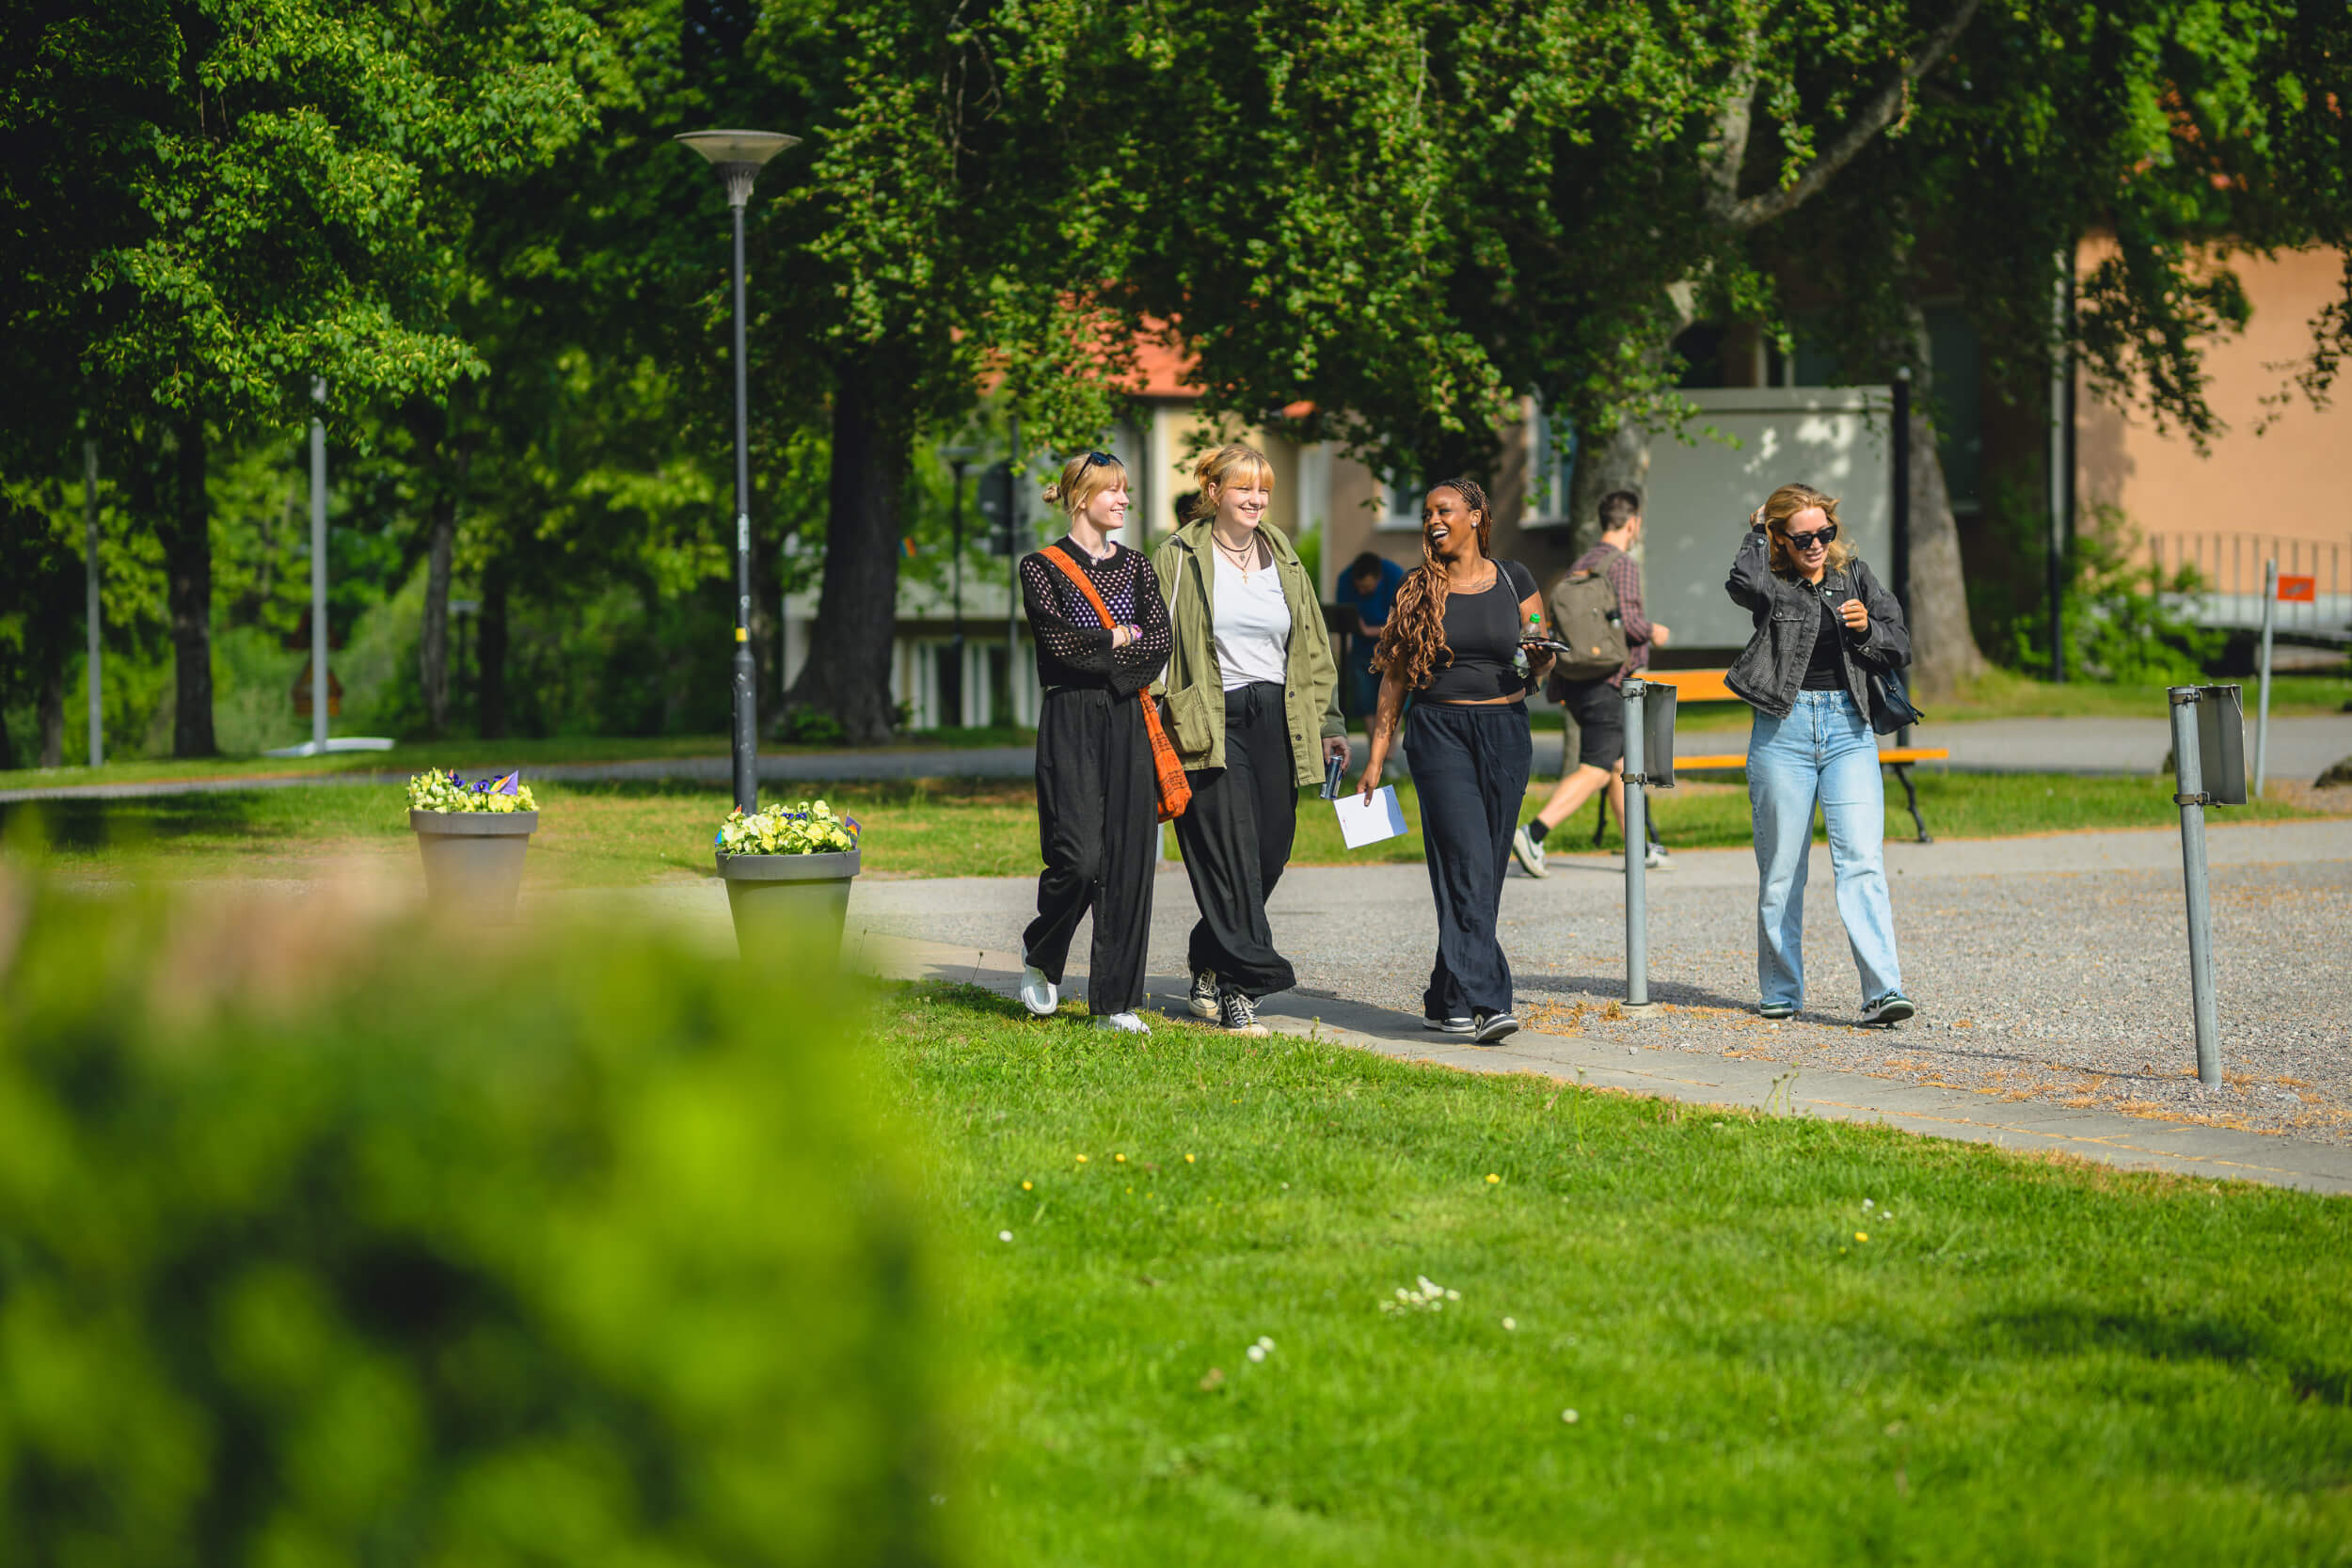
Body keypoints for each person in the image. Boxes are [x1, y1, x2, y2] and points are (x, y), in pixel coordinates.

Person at [1153, 444, 1348, 1037]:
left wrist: (1331, 723)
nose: (1256, 500)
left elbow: (1312, 644)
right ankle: (1243, 988)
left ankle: (1208, 955)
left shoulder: (1283, 554)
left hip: (1278, 718)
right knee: (1232, 852)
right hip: (1209, 719)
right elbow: (1156, 647)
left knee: (1271, 850)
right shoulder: (1179, 555)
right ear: (1213, 492)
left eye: (1262, 490)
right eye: (1243, 489)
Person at [1358, 478, 1552, 1045]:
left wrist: (1539, 661)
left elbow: (1535, 658)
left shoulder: (1516, 580)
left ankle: (1446, 995)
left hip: (1507, 729)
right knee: (1465, 857)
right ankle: (1489, 1000)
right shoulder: (1418, 588)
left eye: (1443, 510)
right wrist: (1377, 755)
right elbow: (1394, 674)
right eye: (1426, 514)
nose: (1432, 521)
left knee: (1486, 868)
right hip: (1439, 731)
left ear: (1475, 515)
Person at [1725, 482, 1916, 1026]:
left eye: (1824, 533)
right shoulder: (1771, 582)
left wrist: (1868, 629)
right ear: (1781, 538)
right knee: (1782, 869)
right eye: (1802, 536)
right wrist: (1755, 527)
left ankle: (1884, 990)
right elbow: (1741, 582)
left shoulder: (1854, 576)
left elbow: (1900, 640)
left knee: (1861, 861)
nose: (1815, 544)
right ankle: (1781, 990)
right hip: (1782, 731)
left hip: (1848, 729)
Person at [1015, 451, 1173, 1033]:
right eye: (1114, 491)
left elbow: (1159, 640)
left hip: (1130, 714)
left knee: (1130, 862)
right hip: (1070, 719)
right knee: (1078, 860)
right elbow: (1060, 645)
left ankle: (1116, 1002)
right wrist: (1116, 636)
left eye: (1126, 490)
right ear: (1082, 498)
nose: (1125, 500)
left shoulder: (1136, 567)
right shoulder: (1041, 567)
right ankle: (1041, 954)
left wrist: (1107, 652)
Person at [1512, 489, 1671, 878]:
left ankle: (1640, 848)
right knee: (1598, 767)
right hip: (1612, 683)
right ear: (1632, 523)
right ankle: (1533, 833)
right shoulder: (1623, 566)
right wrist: (1655, 631)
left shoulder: (1581, 565)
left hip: (1578, 681)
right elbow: (1631, 624)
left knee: (1621, 764)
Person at [1334, 550, 1406, 718]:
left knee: (1392, 706)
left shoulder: (1396, 577)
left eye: (1367, 587)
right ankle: (1372, 743)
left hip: (1393, 649)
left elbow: (1405, 623)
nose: (1362, 592)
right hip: (1362, 652)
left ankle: (1390, 745)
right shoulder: (1345, 580)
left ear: (1379, 578)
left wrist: (1367, 630)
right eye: (1359, 588)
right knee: (1367, 705)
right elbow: (1346, 616)